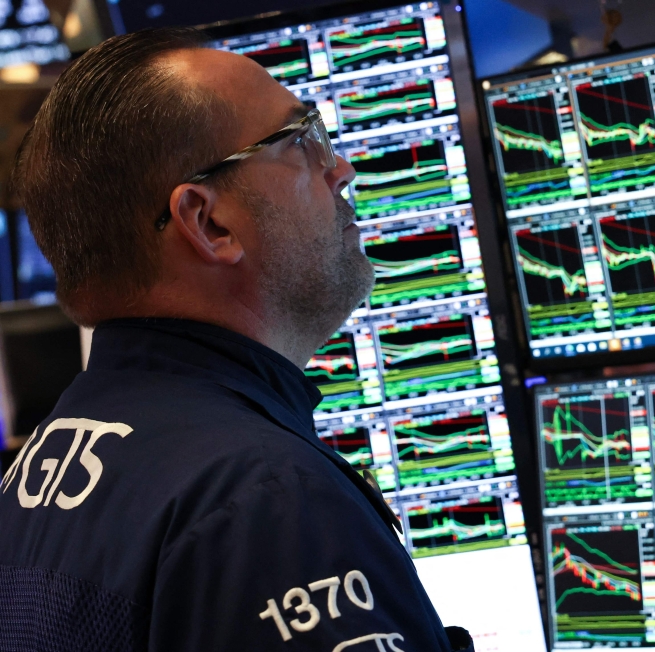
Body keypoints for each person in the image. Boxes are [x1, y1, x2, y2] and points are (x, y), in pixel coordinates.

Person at [0, 28, 473, 652]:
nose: (340, 169)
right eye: (301, 140)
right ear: (209, 222)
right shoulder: (268, 500)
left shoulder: (47, 463)